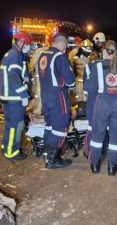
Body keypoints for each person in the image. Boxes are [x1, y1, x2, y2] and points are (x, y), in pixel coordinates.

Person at [84, 40, 117, 176]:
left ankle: (94, 165)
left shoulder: (97, 66)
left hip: (102, 102)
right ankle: (112, 167)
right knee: (115, 135)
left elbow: (88, 88)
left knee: (97, 134)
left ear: (105, 51)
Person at [38, 33, 76, 169]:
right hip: (57, 96)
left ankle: (47, 154)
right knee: (61, 125)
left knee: (49, 125)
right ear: (63, 44)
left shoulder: (42, 55)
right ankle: (53, 160)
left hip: (45, 96)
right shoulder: (60, 56)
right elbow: (70, 80)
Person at [0, 31, 32, 160]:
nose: (29, 47)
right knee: (16, 126)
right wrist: (24, 95)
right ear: (21, 42)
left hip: (9, 98)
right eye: (28, 44)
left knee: (9, 125)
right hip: (14, 99)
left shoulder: (11, 54)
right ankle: (12, 152)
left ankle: (6, 147)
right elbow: (14, 77)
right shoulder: (15, 56)